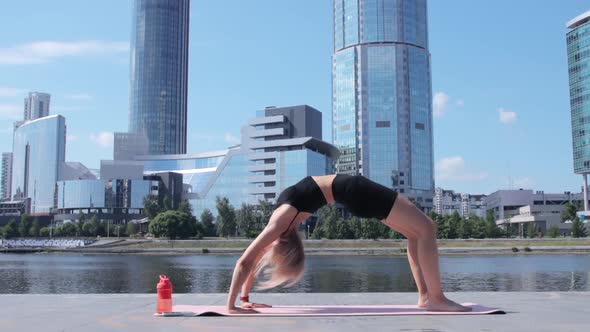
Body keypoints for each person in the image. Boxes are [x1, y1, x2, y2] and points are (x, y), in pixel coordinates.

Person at [226, 174, 471, 314]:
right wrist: (231, 306)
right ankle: (437, 299)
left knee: (417, 234)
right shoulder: (281, 220)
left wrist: (245, 297)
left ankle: (426, 298)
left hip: (352, 194)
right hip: (354, 190)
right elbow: (245, 261)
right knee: (426, 228)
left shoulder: (280, 223)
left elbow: (255, 258)